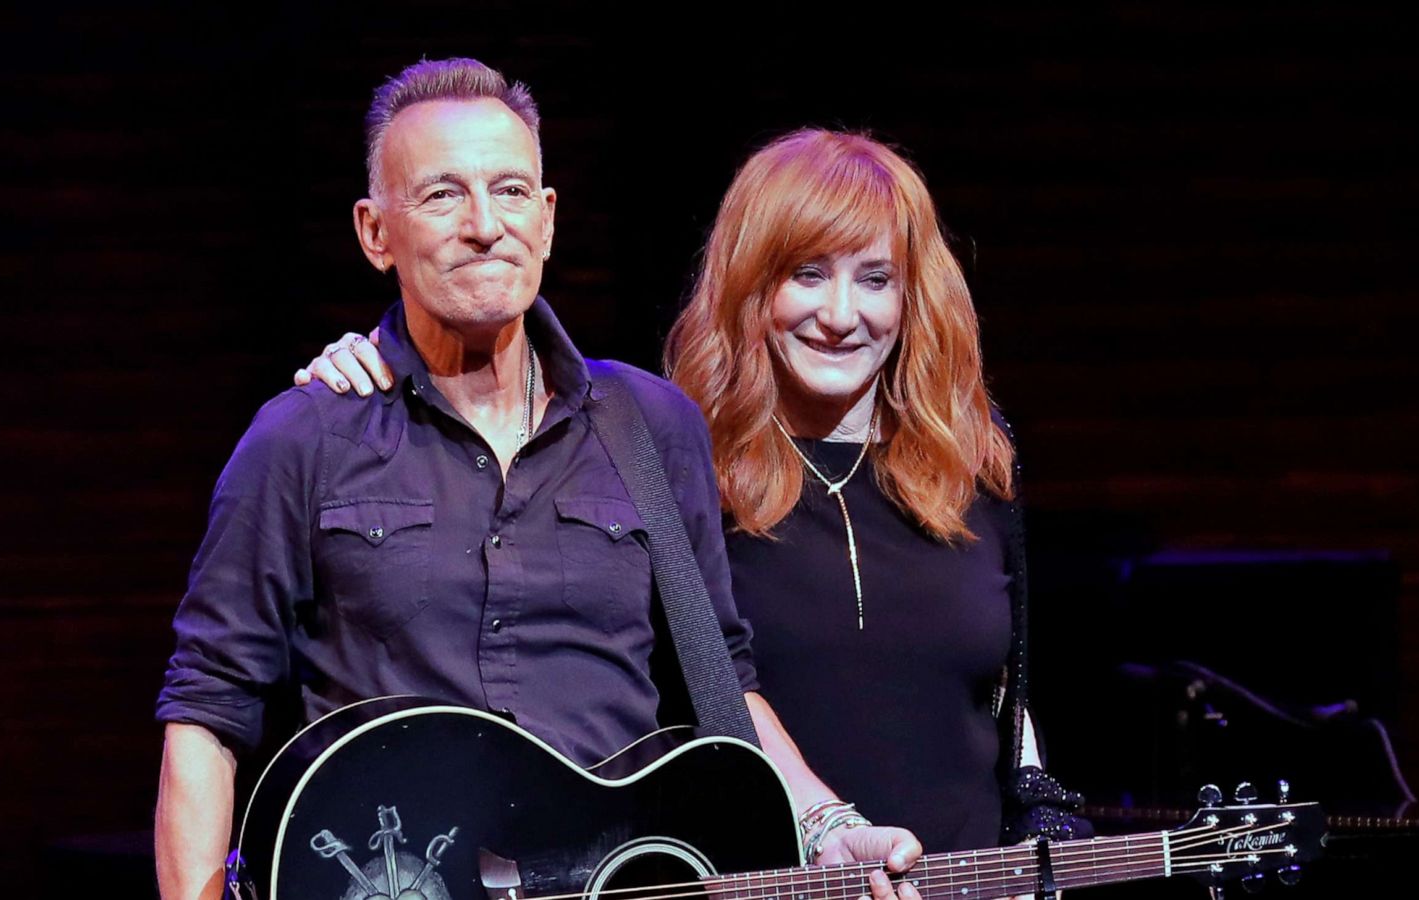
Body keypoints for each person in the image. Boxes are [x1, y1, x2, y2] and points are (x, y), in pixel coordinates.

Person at [153, 59, 922, 900]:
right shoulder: (304, 437)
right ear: (376, 233)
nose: (486, 224)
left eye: (512, 191)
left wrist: (826, 827)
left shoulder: (653, 426)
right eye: (443, 195)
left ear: (548, 220)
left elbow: (722, 683)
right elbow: (207, 710)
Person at [299, 129, 1086, 857]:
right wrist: (379, 361)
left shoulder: (969, 469)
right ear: (751, 285)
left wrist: (1040, 827)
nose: (842, 315)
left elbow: (1002, 704)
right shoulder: (664, 458)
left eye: (875, 279)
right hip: (767, 876)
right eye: (807, 276)